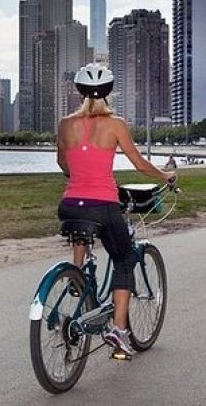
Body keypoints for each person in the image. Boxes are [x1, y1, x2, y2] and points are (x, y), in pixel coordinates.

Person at [56, 63, 176, 359]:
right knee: (124, 259)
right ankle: (119, 331)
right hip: (103, 204)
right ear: (109, 92)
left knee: (82, 226)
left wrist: (82, 178)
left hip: (70, 204)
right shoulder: (116, 124)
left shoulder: (65, 124)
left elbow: (63, 164)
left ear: (78, 91)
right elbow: (140, 164)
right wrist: (165, 176)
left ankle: (77, 275)